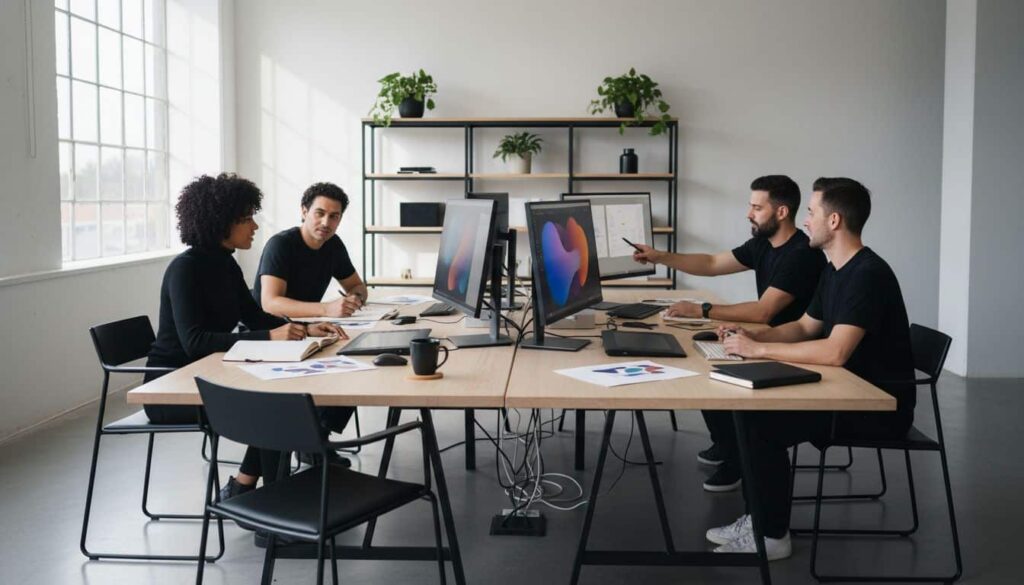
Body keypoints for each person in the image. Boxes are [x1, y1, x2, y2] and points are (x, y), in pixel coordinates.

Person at [705, 178, 915, 561]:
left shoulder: (867, 274)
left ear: (833, 221)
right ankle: (758, 518)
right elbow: (804, 326)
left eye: (811, 213)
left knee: (759, 426)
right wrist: (751, 334)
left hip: (876, 407)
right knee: (748, 414)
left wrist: (759, 348)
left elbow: (836, 352)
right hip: (845, 391)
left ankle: (771, 536)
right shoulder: (835, 269)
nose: (805, 221)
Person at [143, 173, 346, 499]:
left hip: (214, 373)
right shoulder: (185, 269)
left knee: (285, 400)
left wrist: (304, 330)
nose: (254, 226)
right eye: (246, 218)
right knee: (276, 409)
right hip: (174, 387)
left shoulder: (226, 264)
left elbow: (254, 317)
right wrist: (270, 336)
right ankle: (269, 511)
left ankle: (246, 487)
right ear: (221, 222)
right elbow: (194, 342)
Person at [632, 175, 825, 492]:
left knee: (719, 367)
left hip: (794, 350)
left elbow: (764, 311)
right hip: (768, 337)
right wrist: (659, 256)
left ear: (781, 212)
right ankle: (726, 444)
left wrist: (703, 310)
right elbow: (710, 263)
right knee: (705, 354)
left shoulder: (801, 255)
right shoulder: (763, 244)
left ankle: (738, 458)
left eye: (756, 207)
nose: (749, 213)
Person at [253, 182, 366, 446]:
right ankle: (311, 442)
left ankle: (316, 439)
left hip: (308, 330)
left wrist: (354, 299)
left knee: (359, 363)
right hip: (272, 334)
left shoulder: (333, 244)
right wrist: (327, 310)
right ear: (304, 211)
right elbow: (270, 303)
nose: (326, 222)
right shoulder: (280, 245)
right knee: (345, 365)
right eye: (319, 213)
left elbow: (357, 286)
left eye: (334, 216)